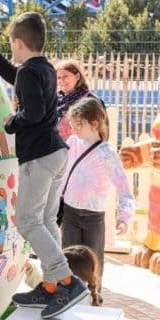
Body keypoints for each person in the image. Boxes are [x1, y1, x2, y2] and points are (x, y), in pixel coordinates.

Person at [0, 11, 89, 319]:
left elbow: (35, 113)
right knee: (44, 219)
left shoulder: (31, 72)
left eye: (10, 46)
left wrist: (10, 123)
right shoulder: (42, 69)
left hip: (39, 156)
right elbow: (16, 77)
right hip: (55, 153)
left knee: (27, 221)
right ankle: (52, 285)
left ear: (17, 42)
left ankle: (65, 279)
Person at [60, 97, 134, 290]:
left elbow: (124, 190)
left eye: (79, 124)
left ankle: (94, 298)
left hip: (94, 217)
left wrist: (124, 217)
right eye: (72, 124)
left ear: (94, 123)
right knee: (68, 260)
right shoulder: (72, 143)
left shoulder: (108, 154)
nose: (74, 128)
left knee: (93, 264)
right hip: (70, 213)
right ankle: (68, 298)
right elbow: (61, 175)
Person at [56, 59, 104, 142]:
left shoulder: (90, 100)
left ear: (77, 76)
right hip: (58, 151)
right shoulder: (55, 100)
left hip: (84, 151)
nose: (61, 81)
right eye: (59, 77)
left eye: (65, 76)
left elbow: (102, 131)